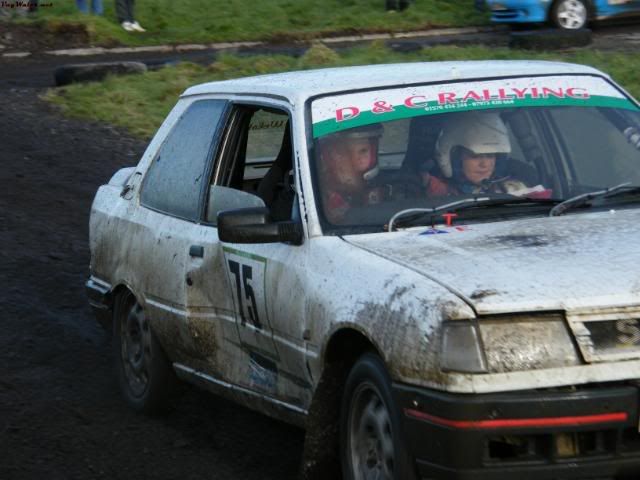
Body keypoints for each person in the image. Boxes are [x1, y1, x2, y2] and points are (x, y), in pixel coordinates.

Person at [423, 112, 548, 197]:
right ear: (455, 158)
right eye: (475, 156)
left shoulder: (516, 188)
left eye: (490, 156)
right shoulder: (432, 192)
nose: (485, 165)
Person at [317, 124, 387, 223]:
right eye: (363, 151)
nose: (370, 159)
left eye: (373, 150)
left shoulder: (372, 187)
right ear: (335, 154)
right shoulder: (324, 199)